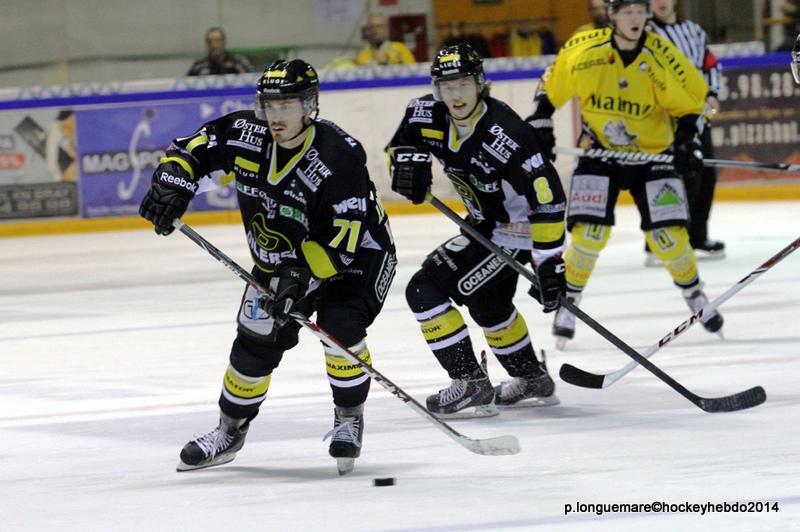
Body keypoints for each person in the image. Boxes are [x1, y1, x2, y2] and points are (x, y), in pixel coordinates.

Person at [140, 59, 396, 475]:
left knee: (340, 326)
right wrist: (172, 186)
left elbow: (342, 241)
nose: (276, 117)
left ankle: (349, 418)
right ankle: (229, 430)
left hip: (358, 255)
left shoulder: (339, 156)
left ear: (310, 105)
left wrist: (298, 277)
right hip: (281, 258)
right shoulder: (247, 134)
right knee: (255, 342)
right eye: (270, 106)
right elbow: (189, 150)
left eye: (288, 106)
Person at [527, 0, 723, 349]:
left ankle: (694, 294)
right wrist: (542, 118)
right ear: (613, 16)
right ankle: (567, 305)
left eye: (640, 11)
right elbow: (553, 80)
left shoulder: (662, 53)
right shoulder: (586, 48)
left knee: (670, 236)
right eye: (627, 12)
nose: (635, 19)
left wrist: (685, 140)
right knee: (588, 233)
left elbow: (693, 102)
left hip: (652, 154)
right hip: (600, 152)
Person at [386, 44, 567, 418]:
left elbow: (548, 202)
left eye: (463, 85)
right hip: (481, 223)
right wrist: (407, 165)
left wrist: (549, 263)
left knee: (424, 290)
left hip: (516, 230)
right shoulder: (425, 113)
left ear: (480, 84)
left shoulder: (508, 134)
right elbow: (401, 144)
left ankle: (469, 381)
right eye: (446, 86)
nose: (455, 96)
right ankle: (530, 377)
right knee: (489, 304)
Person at [646, 0, 725, 263]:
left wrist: (712, 93)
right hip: (663, 119)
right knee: (671, 178)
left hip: (698, 116)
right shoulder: (644, 32)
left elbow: (710, 63)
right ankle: (661, 240)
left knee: (705, 175)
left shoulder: (694, 30)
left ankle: (696, 236)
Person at [187, 27, 253, 76]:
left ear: (224, 41)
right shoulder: (199, 66)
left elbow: (253, 81)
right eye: (210, 41)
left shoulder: (239, 61)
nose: (214, 45)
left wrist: (237, 68)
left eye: (217, 41)